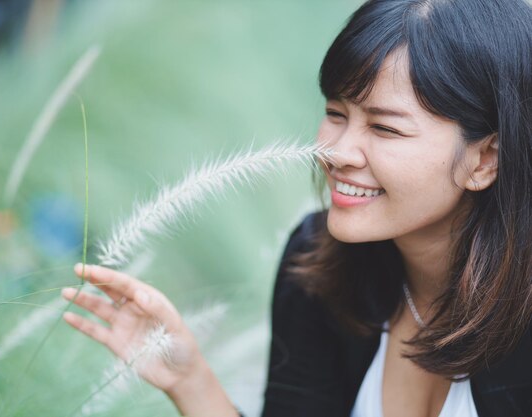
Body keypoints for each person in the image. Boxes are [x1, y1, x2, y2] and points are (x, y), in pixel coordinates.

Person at [61, 0, 532, 416]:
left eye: (386, 128)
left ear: (485, 159)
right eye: (335, 113)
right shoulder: (321, 269)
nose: (336, 151)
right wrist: (190, 381)